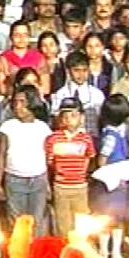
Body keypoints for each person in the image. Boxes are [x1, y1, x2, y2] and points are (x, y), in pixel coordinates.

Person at [0, 85, 51, 236]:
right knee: (16, 222)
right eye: (15, 102)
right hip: (14, 180)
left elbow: (46, 157)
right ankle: (19, 256)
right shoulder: (8, 127)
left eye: (22, 102)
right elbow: (1, 155)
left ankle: (36, 255)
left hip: (38, 179)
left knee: (37, 221)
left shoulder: (43, 128)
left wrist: (48, 184)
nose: (18, 106)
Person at [45, 97, 95, 237]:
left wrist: (81, 176)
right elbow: (50, 162)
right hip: (61, 187)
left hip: (80, 187)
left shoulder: (86, 139)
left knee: (81, 222)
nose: (69, 119)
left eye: (73, 115)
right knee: (63, 222)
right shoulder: (53, 139)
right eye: (65, 116)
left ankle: (81, 252)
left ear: (82, 118)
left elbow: (88, 159)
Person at [94, 94, 129, 258]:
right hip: (117, 179)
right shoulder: (118, 133)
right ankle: (111, 252)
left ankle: (109, 252)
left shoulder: (111, 134)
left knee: (110, 217)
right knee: (114, 217)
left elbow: (102, 159)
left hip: (114, 179)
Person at [51, 51, 105, 141]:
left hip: (91, 140)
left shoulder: (97, 94)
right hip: (67, 141)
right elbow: (55, 120)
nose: (81, 75)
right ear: (68, 71)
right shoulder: (60, 94)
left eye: (84, 70)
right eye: (76, 70)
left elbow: (102, 121)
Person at [0, 20, 49, 97]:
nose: (21, 38)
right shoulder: (3, 59)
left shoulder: (39, 57)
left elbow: (46, 87)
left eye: (25, 35)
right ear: (11, 37)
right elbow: (2, 88)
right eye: (17, 35)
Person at [83, 31, 113, 97]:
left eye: (97, 46)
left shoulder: (110, 68)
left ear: (103, 47)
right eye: (89, 46)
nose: (93, 49)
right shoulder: (81, 68)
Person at [38, 31, 66, 96]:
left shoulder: (64, 64)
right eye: (44, 45)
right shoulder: (38, 65)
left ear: (57, 46)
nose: (48, 49)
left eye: (51, 45)